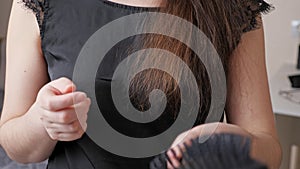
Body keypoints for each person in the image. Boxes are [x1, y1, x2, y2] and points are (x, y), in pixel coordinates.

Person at [0, 0, 282, 169]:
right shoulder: (41, 4)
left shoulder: (233, 8)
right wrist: (42, 121)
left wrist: (226, 145)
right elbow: (15, 145)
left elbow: (270, 150)